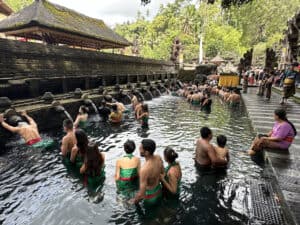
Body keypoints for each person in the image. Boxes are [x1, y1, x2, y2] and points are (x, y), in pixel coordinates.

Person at [133, 139, 164, 206]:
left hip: (150, 198)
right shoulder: (158, 158)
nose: (139, 149)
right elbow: (163, 173)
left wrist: (133, 202)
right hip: (159, 191)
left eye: (141, 148)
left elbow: (141, 195)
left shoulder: (144, 170)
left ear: (147, 152)